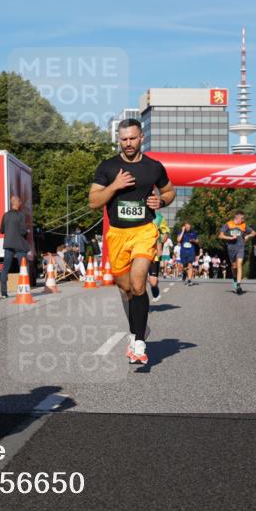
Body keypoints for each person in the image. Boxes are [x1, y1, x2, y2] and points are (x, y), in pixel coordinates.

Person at [89, 118, 175, 364]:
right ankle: (140, 328)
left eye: (132, 138)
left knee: (138, 284)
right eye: (124, 139)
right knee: (126, 288)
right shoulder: (107, 167)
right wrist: (114, 186)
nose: (128, 143)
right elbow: (94, 202)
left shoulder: (154, 167)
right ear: (119, 139)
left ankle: (138, 342)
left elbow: (169, 191)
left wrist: (162, 201)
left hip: (144, 231)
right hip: (117, 234)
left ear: (141, 138)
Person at [218, 210, 256, 294]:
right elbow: (220, 235)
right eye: (242, 218)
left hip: (240, 248)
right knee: (234, 266)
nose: (243, 220)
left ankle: (238, 285)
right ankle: (235, 279)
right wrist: (230, 238)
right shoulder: (228, 224)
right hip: (231, 248)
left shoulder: (244, 225)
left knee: (239, 264)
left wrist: (248, 236)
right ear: (237, 218)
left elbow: (254, 233)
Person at [0, 195, 30, 297]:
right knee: (23, 267)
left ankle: (3, 292)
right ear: (17, 203)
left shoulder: (5, 215)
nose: (21, 203)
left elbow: (1, 230)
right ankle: (24, 290)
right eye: (20, 202)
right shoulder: (21, 215)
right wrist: (27, 231)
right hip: (19, 244)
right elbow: (22, 231)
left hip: (8, 244)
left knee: (5, 268)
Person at [147, 212, 170, 300]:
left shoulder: (159, 217)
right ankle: (142, 305)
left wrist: (161, 242)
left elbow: (166, 232)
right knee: (139, 280)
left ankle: (154, 286)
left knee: (153, 282)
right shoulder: (137, 215)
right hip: (138, 251)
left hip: (153, 253)